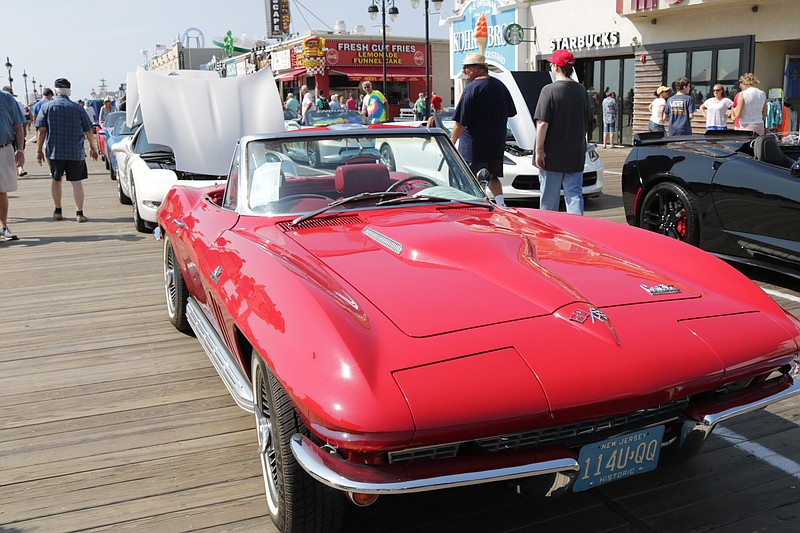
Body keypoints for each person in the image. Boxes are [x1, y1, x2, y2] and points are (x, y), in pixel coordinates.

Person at [451, 52, 516, 207]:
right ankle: (501, 204)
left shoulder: (471, 89)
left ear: (478, 68)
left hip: (474, 147)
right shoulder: (500, 86)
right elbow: (511, 113)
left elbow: (460, 123)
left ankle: (473, 208)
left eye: (466, 67)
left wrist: (451, 141)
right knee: (493, 177)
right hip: (496, 146)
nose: (464, 71)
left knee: (470, 181)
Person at [533, 49, 590, 215]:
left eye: (552, 64)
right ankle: (577, 230)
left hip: (552, 155)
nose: (550, 67)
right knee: (574, 196)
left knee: (549, 199)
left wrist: (538, 151)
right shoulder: (581, 91)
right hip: (575, 153)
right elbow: (587, 121)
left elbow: (543, 123)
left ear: (557, 67)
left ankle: (548, 233)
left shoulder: (549, 90)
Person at [35, 78, 99, 223]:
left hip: (54, 152)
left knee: (56, 180)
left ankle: (58, 210)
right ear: (69, 91)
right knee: (77, 182)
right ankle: (79, 213)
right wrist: (93, 148)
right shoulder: (78, 108)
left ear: (56, 91)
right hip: (75, 152)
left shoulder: (47, 107)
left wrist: (38, 151)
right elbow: (89, 130)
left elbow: (41, 131)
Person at [0, 84, 24, 241]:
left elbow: (18, 126)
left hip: (4, 147)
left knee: (2, 190)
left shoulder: (7, 98)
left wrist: (20, 150)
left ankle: (3, 226)